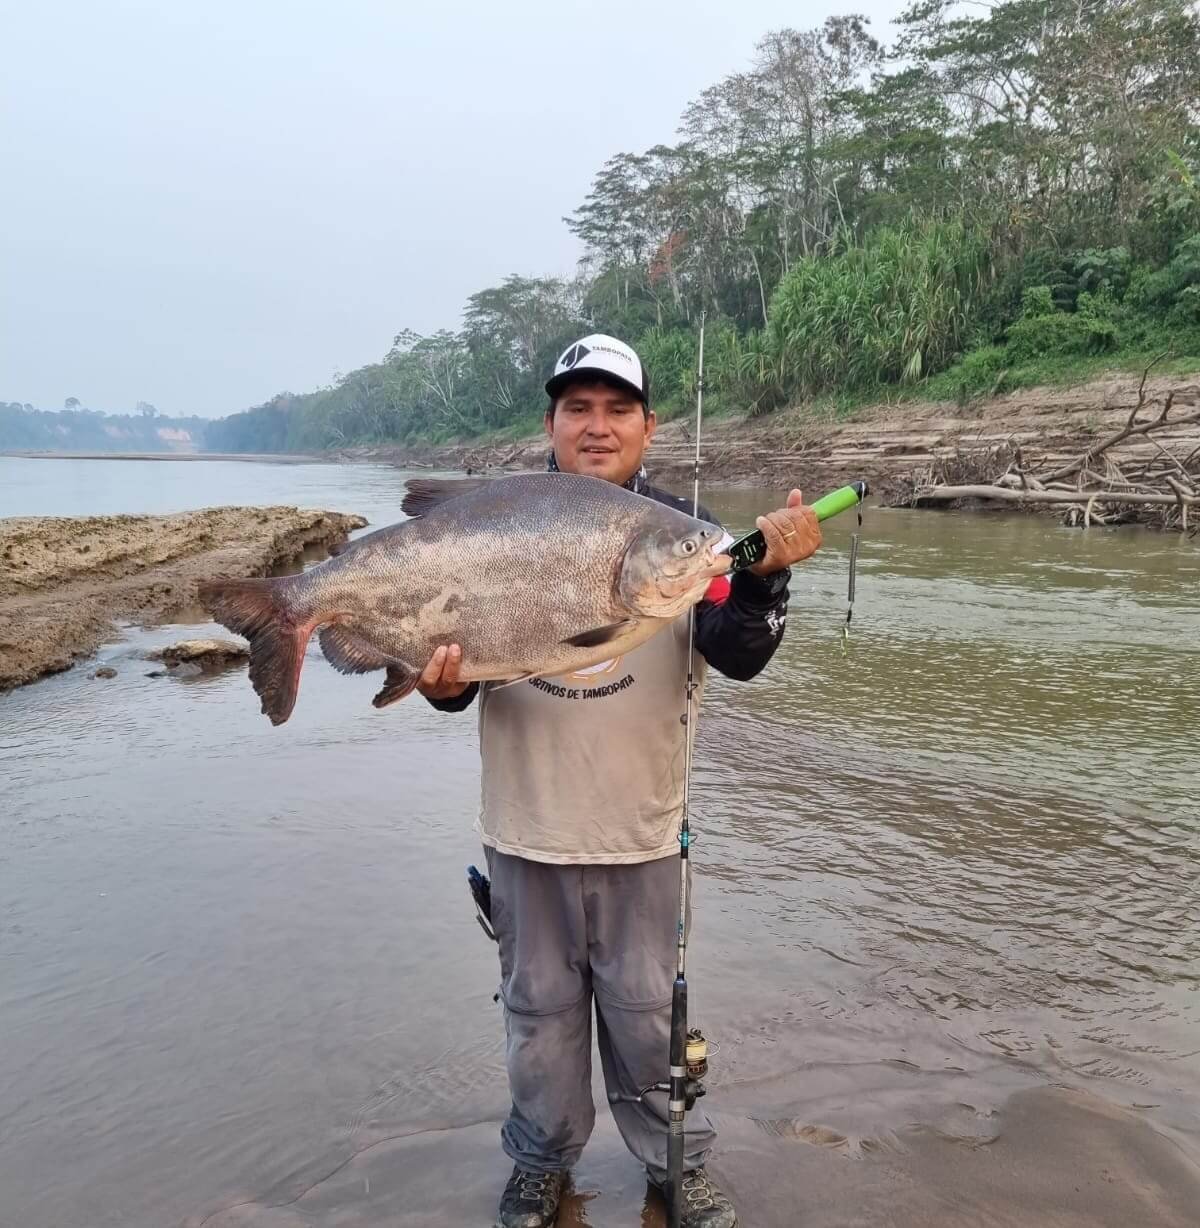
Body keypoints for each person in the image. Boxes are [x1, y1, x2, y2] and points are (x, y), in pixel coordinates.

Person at [420, 334, 821, 1228]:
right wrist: (440, 684)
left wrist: (764, 583)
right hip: (525, 829)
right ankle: (540, 1164)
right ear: (552, 426)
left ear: (648, 426)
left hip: (645, 834)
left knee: (650, 1023)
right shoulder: (494, 525)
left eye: (618, 409)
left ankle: (674, 1163)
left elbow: (739, 654)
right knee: (537, 1019)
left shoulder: (689, 538)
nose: (597, 427)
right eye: (578, 409)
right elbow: (457, 683)